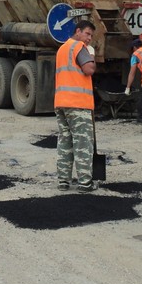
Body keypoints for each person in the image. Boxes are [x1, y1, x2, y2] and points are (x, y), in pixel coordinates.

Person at [55, 20, 98, 193]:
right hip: (78, 103)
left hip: (61, 102)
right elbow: (89, 69)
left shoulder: (62, 48)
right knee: (82, 143)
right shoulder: (79, 47)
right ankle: (85, 183)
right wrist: (92, 57)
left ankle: (63, 181)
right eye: (87, 34)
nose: (89, 38)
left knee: (65, 142)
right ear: (78, 31)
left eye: (91, 36)